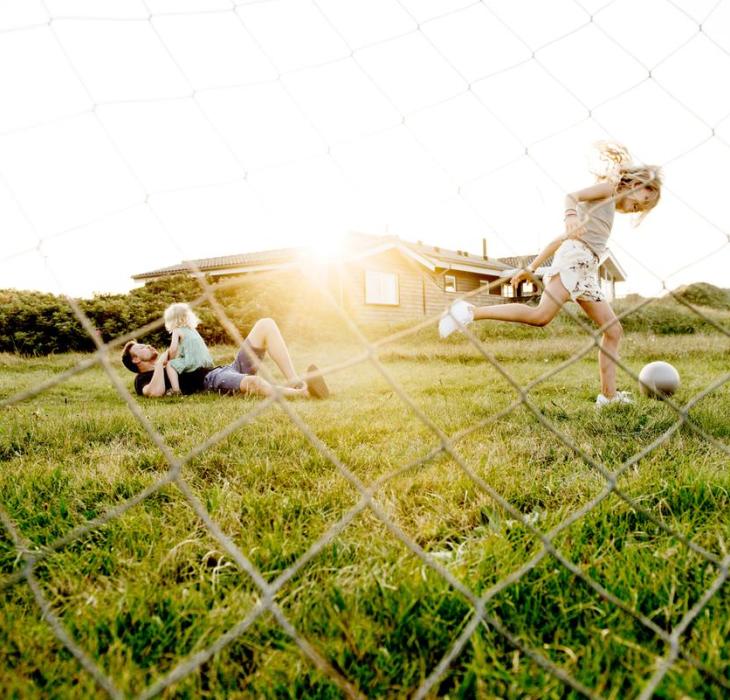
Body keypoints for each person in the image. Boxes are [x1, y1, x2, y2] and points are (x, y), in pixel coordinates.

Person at [439, 142, 662, 407]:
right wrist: (569, 215)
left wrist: (531, 268)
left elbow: (560, 240)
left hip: (584, 268)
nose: (640, 207)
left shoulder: (605, 211)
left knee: (613, 330)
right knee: (540, 316)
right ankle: (468, 311)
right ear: (635, 184)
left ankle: (608, 397)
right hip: (575, 261)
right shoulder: (610, 189)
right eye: (644, 198)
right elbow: (571, 196)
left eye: (645, 208)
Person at [121, 317, 329, 400]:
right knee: (253, 383)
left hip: (226, 369)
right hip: (211, 381)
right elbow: (155, 392)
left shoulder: (172, 359)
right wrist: (160, 364)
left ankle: (294, 380)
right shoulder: (142, 381)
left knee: (265, 324)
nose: (148, 345)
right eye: (141, 348)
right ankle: (303, 394)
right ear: (136, 360)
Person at [162, 302, 214, 395]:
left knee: (170, 365)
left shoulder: (176, 330)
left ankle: (176, 390)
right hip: (204, 360)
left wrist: (170, 359)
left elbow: (173, 349)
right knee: (178, 362)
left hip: (191, 361)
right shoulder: (192, 329)